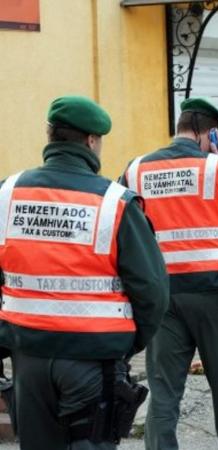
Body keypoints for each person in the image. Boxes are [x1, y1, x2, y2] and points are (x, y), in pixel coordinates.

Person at [0, 95, 169, 449]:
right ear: (92, 141)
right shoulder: (114, 202)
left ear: (50, 135)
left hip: (27, 355)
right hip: (94, 359)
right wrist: (130, 341)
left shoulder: (8, 193)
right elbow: (152, 290)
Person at [120, 98, 218, 450]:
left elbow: (122, 222)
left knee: (164, 393)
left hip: (162, 298)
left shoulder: (136, 168)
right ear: (209, 133)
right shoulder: (217, 167)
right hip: (214, 296)